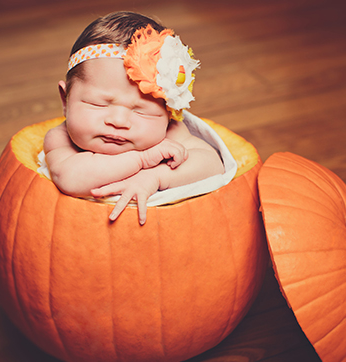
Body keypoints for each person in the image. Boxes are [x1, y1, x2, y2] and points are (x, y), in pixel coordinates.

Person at [43, 11, 225, 225]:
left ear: (169, 113)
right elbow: (70, 179)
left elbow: (213, 165)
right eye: (98, 104)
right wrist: (142, 159)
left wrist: (155, 177)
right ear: (66, 100)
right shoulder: (60, 139)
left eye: (141, 111)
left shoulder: (171, 133)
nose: (118, 121)